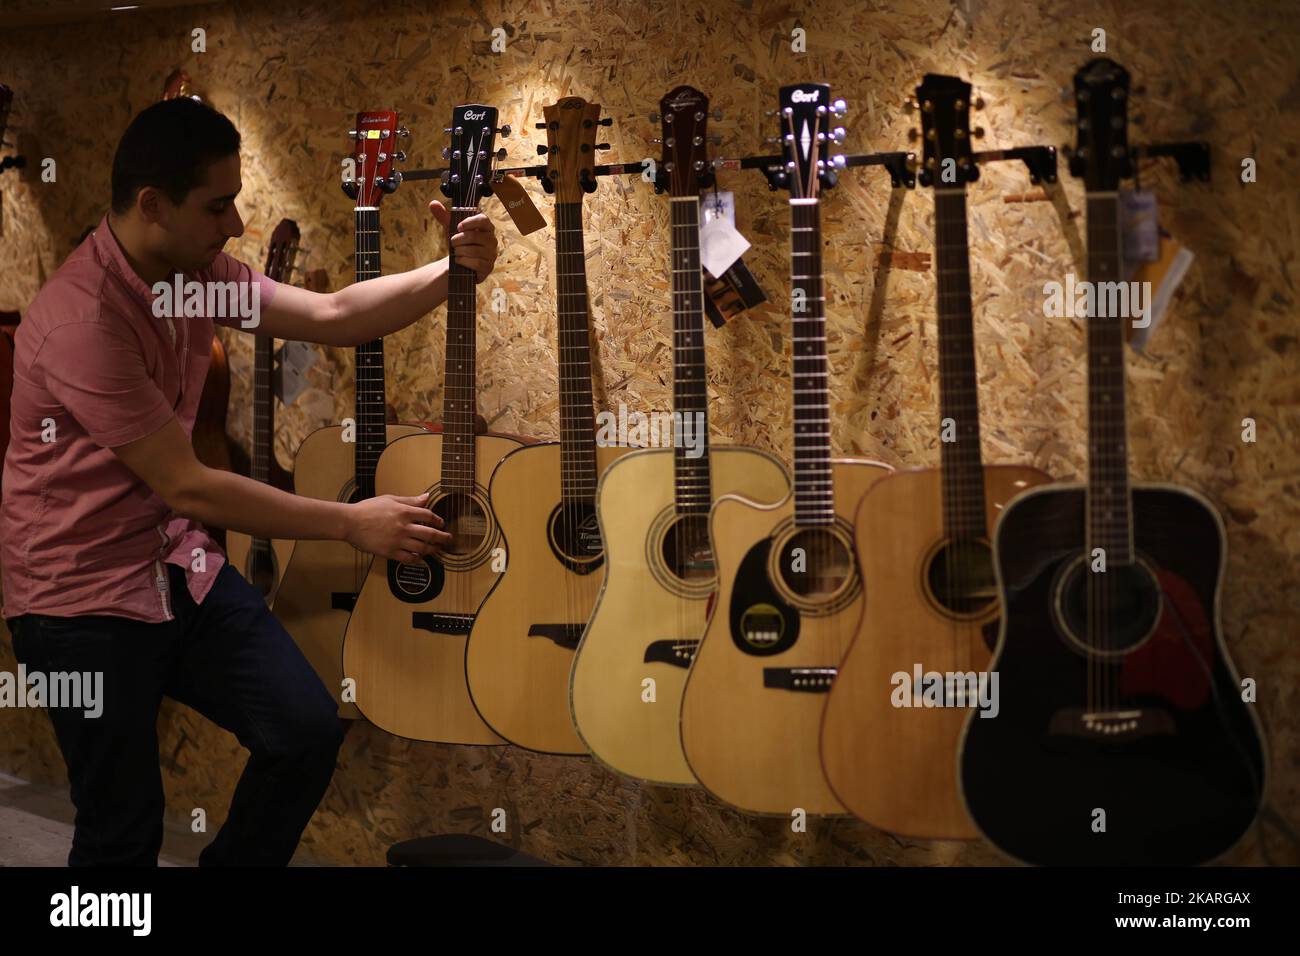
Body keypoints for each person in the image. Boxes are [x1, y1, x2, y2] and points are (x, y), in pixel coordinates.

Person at [0, 96, 499, 866]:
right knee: (120, 826)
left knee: (302, 730)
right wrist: (349, 522)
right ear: (152, 206)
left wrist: (449, 268)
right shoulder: (82, 323)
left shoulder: (194, 276)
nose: (236, 225)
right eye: (218, 205)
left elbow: (335, 314)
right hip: (77, 598)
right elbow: (191, 485)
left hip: (173, 565)